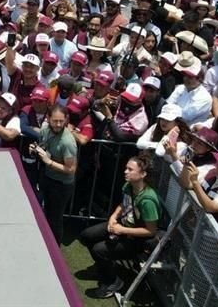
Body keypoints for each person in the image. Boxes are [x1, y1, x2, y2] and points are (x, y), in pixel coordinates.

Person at [77, 156, 161, 299]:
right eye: (126, 168)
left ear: (143, 174)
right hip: (122, 226)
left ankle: (112, 282)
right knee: (87, 235)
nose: (125, 172)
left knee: (99, 250)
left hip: (136, 240)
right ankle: (104, 268)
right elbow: (124, 204)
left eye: (130, 169)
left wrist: (122, 230)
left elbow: (150, 231)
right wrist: (113, 217)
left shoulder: (148, 200)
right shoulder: (128, 186)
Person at [30, 105, 78, 245]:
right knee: (42, 212)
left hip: (61, 185)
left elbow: (71, 169)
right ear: (48, 119)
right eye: (55, 121)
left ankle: (54, 248)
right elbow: (44, 147)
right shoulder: (45, 130)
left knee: (54, 218)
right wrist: (36, 150)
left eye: (61, 121)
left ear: (66, 120)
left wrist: (48, 162)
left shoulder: (68, 142)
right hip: (47, 178)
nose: (58, 124)